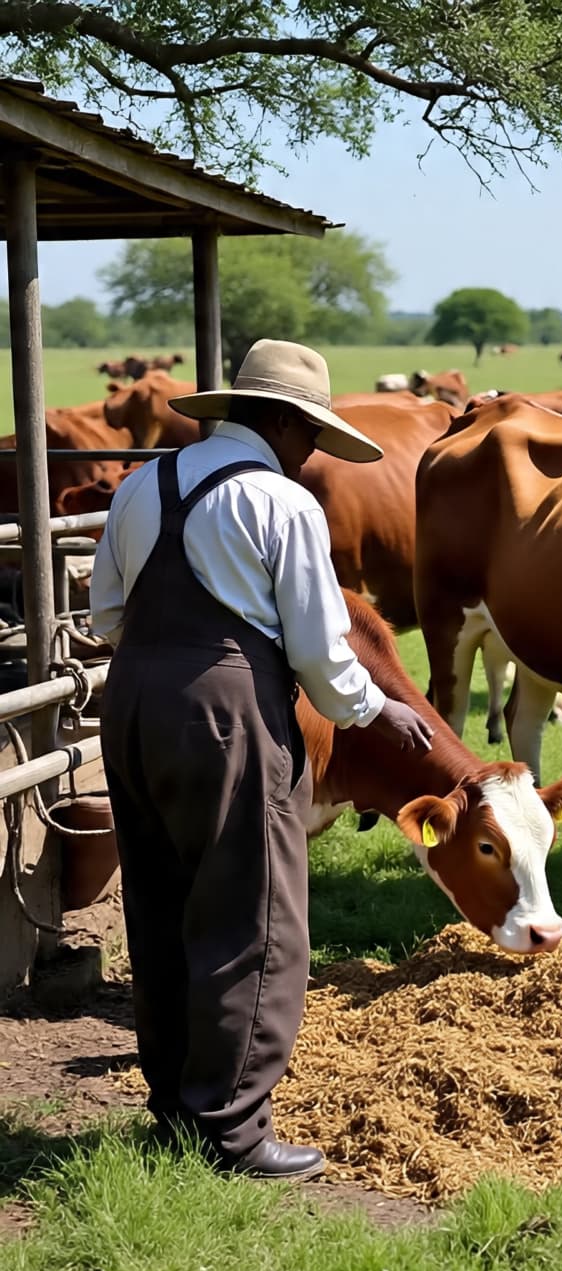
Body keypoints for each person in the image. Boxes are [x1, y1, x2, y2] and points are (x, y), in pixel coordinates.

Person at [91, 340, 434, 1180]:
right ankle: (235, 1129)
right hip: (229, 712)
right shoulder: (281, 504)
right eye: (310, 433)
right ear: (280, 422)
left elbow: (104, 613)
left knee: (162, 899)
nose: (314, 451)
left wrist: (163, 663)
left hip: (132, 704)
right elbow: (320, 650)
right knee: (254, 914)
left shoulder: (143, 483)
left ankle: (173, 1104)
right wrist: (375, 709)